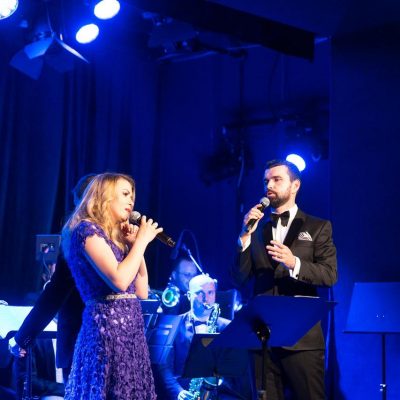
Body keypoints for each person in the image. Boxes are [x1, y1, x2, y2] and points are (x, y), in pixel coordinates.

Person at [231, 159, 337, 400]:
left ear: (295, 185)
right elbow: (238, 277)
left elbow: (330, 275)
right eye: (266, 181)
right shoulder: (256, 228)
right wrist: (244, 237)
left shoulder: (318, 227)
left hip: (302, 337)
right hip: (262, 336)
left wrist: (294, 263)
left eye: (277, 180)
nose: (269, 185)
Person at [62, 172, 161, 399]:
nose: (131, 201)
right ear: (105, 197)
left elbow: (141, 290)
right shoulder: (86, 230)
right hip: (107, 331)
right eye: (125, 194)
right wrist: (142, 241)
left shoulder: (113, 237)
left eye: (132, 196)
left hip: (130, 333)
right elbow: (119, 280)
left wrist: (135, 246)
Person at [8, 174, 96, 381]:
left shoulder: (78, 239)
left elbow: (54, 294)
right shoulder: (121, 239)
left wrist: (22, 338)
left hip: (81, 343)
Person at [156, 274, 251, 400]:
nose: (206, 298)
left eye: (210, 292)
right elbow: (164, 367)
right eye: (200, 293)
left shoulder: (229, 327)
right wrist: (178, 392)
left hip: (219, 393)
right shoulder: (174, 324)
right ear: (189, 296)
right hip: (185, 392)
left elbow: (237, 370)